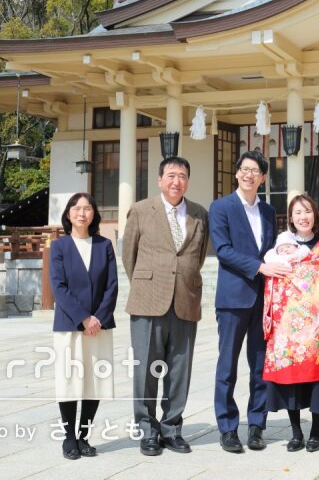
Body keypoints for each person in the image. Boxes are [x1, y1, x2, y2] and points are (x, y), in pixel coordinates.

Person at [121, 156, 209, 456]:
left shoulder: (199, 214)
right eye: (171, 175)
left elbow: (196, 258)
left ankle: (172, 429)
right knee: (146, 368)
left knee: (179, 370)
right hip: (148, 300)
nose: (176, 181)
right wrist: (149, 283)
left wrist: (180, 281)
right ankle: (147, 430)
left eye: (182, 176)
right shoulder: (141, 210)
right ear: (160, 180)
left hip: (185, 299)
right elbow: (129, 256)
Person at [208, 150, 285, 453]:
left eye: (256, 171)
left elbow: (271, 250)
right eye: (245, 169)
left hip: (263, 299)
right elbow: (223, 250)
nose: (250, 175)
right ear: (236, 173)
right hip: (233, 298)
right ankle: (228, 428)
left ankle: (256, 426)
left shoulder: (267, 211)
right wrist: (260, 267)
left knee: (261, 366)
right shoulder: (221, 207)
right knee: (227, 366)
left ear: (263, 178)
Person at [262, 195, 319, 453]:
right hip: (287, 325)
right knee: (291, 379)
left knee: (317, 377)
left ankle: (315, 432)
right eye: (297, 212)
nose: (303, 217)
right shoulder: (280, 248)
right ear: (290, 218)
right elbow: (272, 280)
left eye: (307, 211)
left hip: (318, 324)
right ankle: (296, 432)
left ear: (315, 215)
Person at [49, 193, 118, 461]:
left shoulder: (104, 245)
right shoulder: (60, 247)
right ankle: (69, 438)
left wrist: (97, 317)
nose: (82, 213)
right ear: (68, 214)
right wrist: (83, 318)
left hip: (100, 326)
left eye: (87, 208)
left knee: (94, 381)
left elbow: (112, 286)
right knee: (70, 380)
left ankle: (84, 436)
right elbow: (59, 287)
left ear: (94, 214)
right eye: (76, 208)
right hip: (70, 325)